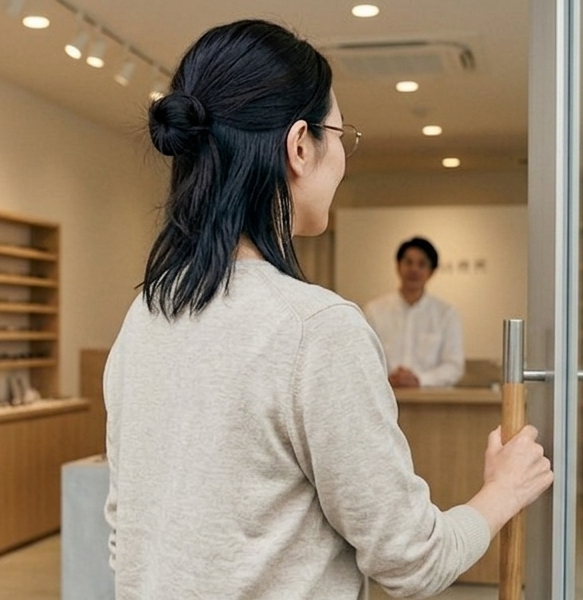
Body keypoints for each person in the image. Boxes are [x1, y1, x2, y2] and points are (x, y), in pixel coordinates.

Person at [103, 19, 553, 600]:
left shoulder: (144, 314)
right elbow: (410, 561)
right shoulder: (315, 329)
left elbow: (127, 534)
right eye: (340, 135)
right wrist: (501, 492)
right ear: (299, 146)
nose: (342, 155)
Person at [364, 237, 465, 388]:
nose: (414, 269)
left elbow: (454, 366)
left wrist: (419, 379)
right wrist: (389, 377)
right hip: (384, 396)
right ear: (398, 266)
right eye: (408, 262)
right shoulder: (374, 310)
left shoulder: (446, 314)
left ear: (431, 272)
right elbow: (365, 358)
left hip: (431, 403)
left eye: (422, 264)